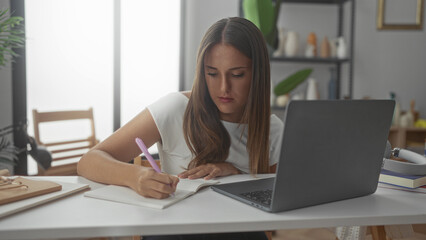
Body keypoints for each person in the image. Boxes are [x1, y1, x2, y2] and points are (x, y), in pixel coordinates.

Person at [77, 17, 283, 240]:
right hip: (175, 231)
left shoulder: (271, 129)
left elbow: (273, 197)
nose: (224, 87)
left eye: (237, 74)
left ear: (258, 74)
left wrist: (235, 172)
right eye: (212, 73)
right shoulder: (176, 109)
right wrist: (134, 177)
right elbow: (89, 161)